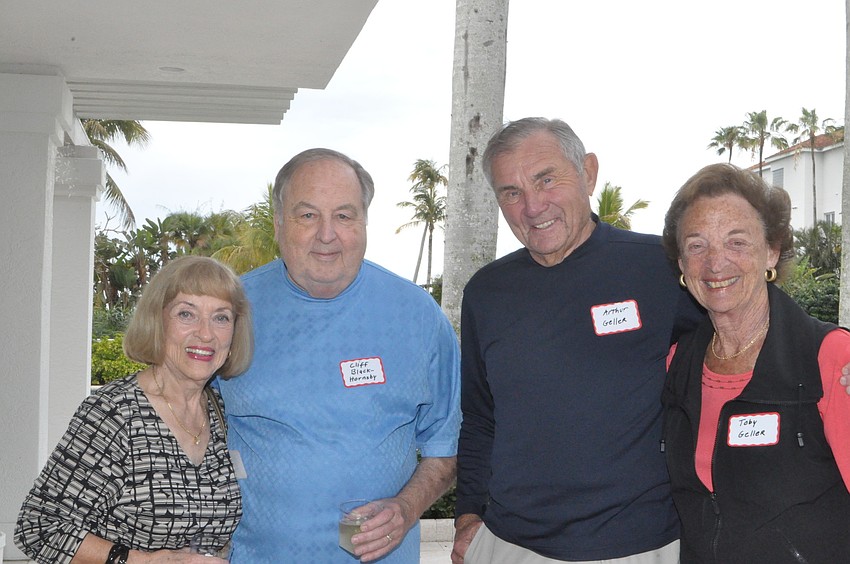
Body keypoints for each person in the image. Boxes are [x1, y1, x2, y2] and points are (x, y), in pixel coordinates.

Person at [452, 117, 704, 564]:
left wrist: (835, 356)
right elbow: (479, 416)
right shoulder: (486, 293)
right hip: (511, 545)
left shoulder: (660, 269)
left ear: (587, 173)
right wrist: (469, 514)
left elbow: (754, 325)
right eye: (511, 192)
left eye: (546, 179)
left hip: (639, 546)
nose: (532, 206)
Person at [217, 148, 461, 563]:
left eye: (344, 216)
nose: (326, 234)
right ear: (279, 224)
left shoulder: (417, 315)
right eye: (307, 215)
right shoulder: (230, 311)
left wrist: (406, 508)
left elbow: (449, 445)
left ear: (364, 223)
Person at [660, 163, 850, 562]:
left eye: (736, 242)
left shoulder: (829, 357)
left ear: (772, 251)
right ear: (681, 264)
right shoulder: (678, 362)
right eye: (696, 245)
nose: (715, 263)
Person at [15, 255, 253, 564]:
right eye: (186, 314)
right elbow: (38, 527)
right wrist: (145, 561)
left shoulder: (222, 414)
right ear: (157, 321)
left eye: (221, 317)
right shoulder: (114, 413)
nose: (205, 333)